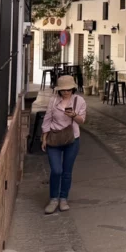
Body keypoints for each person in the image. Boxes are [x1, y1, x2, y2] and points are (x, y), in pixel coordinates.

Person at [41, 75, 87, 214]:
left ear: (73, 88)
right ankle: (53, 198)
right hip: (54, 138)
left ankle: (63, 198)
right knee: (56, 170)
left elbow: (82, 120)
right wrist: (44, 138)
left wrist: (73, 115)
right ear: (59, 90)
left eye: (68, 89)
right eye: (63, 89)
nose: (66, 92)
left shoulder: (79, 101)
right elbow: (47, 120)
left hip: (72, 139)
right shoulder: (53, 101)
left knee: (67, 171)